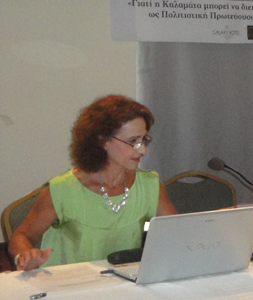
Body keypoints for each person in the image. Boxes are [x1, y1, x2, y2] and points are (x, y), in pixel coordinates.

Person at [9, 95, 177, 271]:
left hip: (125, 281)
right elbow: (21, 236)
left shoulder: (149, 186)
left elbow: (176, 233)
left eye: (144, 140)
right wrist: (25, 255)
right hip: (70, 282)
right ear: (103, 141)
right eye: (133, 141)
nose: (143, 150)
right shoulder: (63, 190)